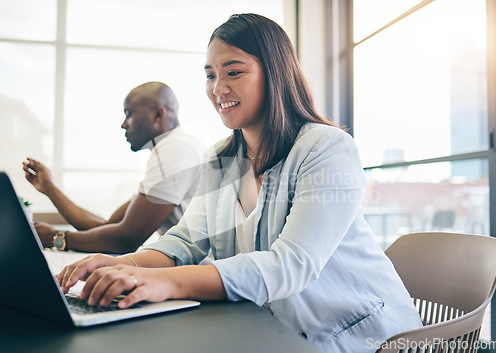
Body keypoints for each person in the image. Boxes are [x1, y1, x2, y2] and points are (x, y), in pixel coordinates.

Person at [56, 14, 422, 352]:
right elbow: (185, 241)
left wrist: (167, 282)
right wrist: (127, 264)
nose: (218, 88)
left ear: (275, 73)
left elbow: (290, 264)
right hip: (276, 331)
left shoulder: (327, 148)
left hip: (365, 338)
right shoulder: (219, 159)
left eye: (234, 72)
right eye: (211, 75)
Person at [23, 81, 206, 254]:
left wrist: (56, 238)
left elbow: (125, 239)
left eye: (129, 114)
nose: (123, 124)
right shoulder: (176, 148)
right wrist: (49, 189)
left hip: (202, 275)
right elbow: (107, 227)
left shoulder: (174, 150)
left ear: (158, 115)